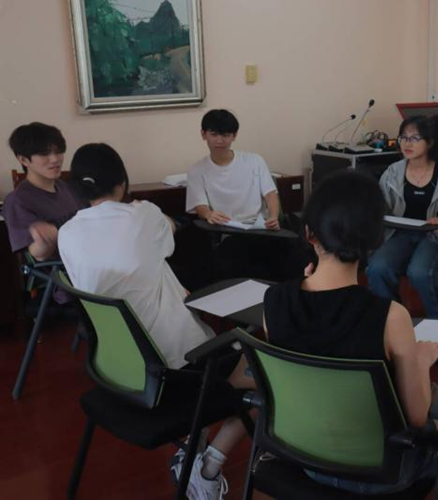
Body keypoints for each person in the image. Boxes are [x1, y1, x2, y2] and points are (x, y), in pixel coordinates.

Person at [263, 171, 438, 499]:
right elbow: (416, 417)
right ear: (375, 240)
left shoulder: (274, 300)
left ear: (309, 233)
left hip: (301, 456)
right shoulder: (389, 316)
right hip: (379, 473)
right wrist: (422, 359)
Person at [59, 143, 255, 500]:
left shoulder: (67, 233)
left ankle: (192, 451)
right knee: (267, 371)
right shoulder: (143, 215)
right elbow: (168, 234)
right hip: (173, 372)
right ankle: (207, 468)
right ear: (122, 182)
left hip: (117, 370)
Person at [366, 115, 438, 318]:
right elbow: (380, 205)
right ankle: (392, 318)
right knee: (377, 267)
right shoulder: (392, 172)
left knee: (420, 271)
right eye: (403, 137)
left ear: (430, 142)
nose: (407, 143)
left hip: (435, 236)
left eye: (414, 138)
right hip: (398, 234)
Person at [186, 108, 306, 281]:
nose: (219, 140)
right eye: (214, 134)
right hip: (229, 231)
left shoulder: (254, 161)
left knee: (296, 256)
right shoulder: (197, 170)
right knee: (230, 261)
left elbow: (271, 194)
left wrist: (273, 217)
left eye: (225, 135)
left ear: (234, 136)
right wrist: (209, 214)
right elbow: (200, 206)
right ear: (203, 134)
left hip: (262, 230)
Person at [3, 122, 84, 261]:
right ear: (23, 160)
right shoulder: (17, 201)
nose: (55, 159)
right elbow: (38, 255)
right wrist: (43, 239)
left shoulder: (65, 186)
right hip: (63, 270)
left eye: (58, 151)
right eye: (44, 153)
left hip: (89, 258)